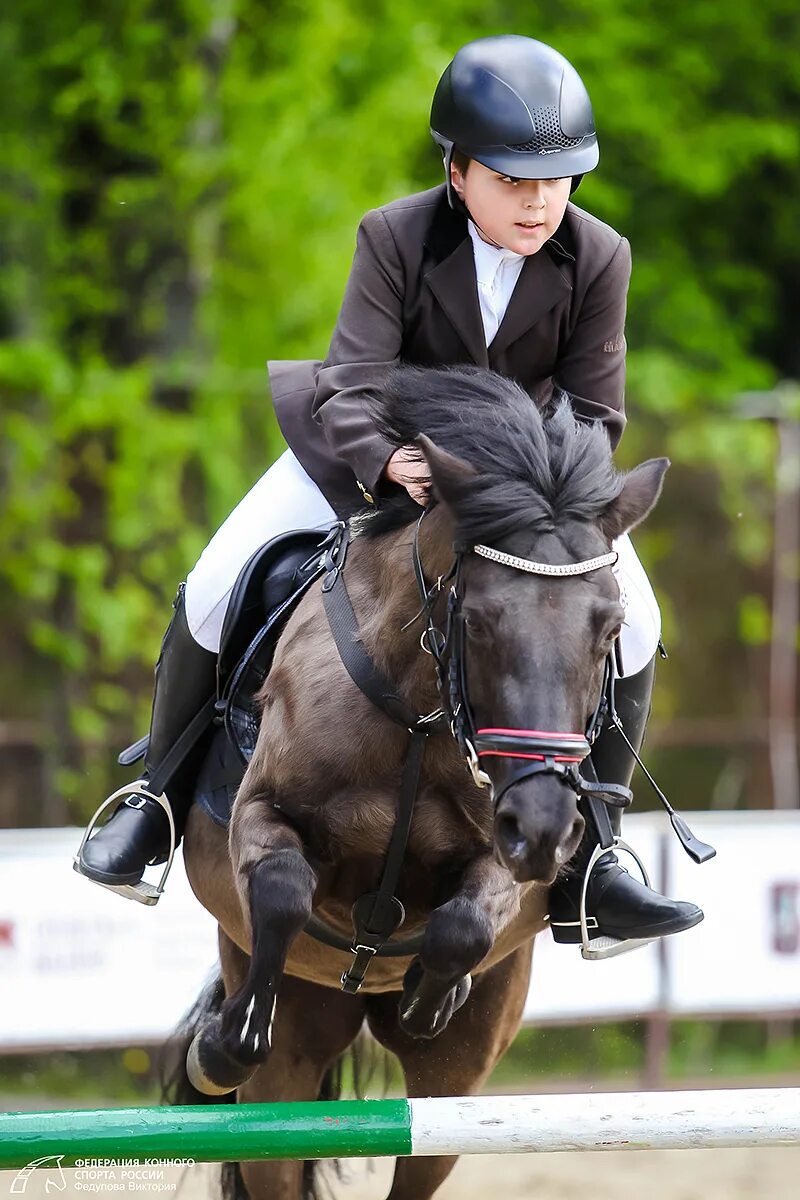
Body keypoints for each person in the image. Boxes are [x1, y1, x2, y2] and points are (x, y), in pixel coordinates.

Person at [77, 34, 703, 951]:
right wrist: (391, 463)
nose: (539, 200)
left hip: (524, 496)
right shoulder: (393, 234)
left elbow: (596, 416)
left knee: (636, 621)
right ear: (458, 173)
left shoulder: (601, 255)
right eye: (512, 179)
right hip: (361, 453)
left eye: (559, 179)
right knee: (216, 581)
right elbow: (354, 380)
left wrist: (517, 489)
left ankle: (597, 858)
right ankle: (154, 805)